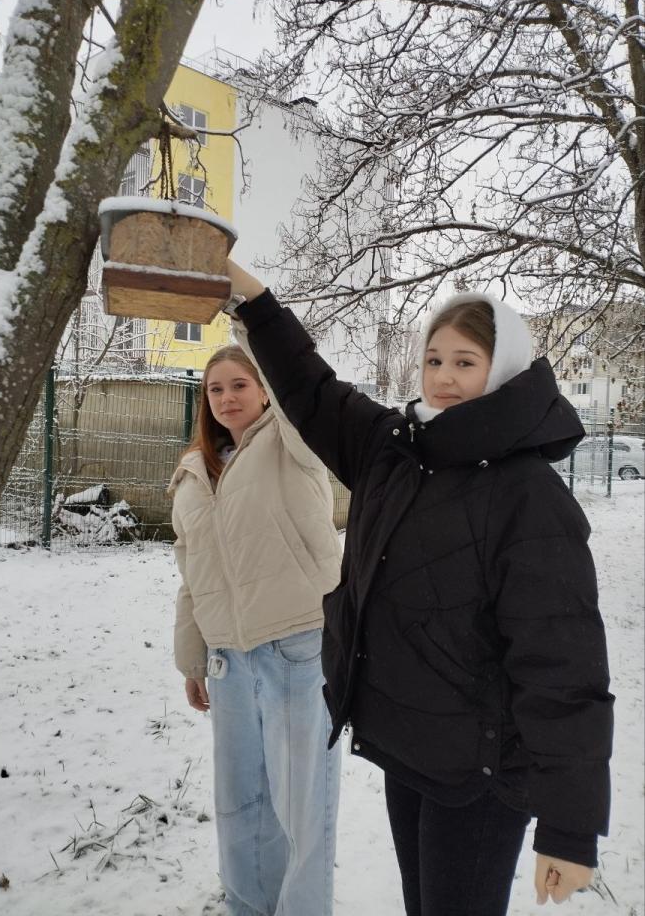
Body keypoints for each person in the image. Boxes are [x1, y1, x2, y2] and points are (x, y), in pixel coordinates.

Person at [224, 259, 614, 916]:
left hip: (481, 775)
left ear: (503, 369)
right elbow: (311, 390)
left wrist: (569, 829)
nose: (444, 377)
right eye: (434, 360)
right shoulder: (397, 450)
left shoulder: (527, 496)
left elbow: (563, 668)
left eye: (465, 362)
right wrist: (254, 299)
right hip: (411, 750)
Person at [169, 344, 342, 916]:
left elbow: (300, 383)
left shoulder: (293, 442)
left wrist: (249, 316)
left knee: (301, 806)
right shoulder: (194, 470)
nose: (227, 398)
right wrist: (193, 659)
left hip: (296, 646)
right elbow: (192, 572)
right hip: (228, 659)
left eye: (240, 384)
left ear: (266, 388)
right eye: (215, 389)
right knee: (241, 802)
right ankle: (247, 907)